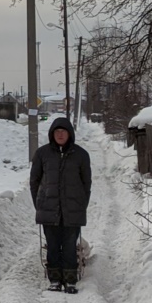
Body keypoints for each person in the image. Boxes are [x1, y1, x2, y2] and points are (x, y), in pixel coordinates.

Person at [30, 115, 91, 293]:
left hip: (73, 209)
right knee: (53, 245)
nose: (60, 134)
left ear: (70, 133)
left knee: (70, 245)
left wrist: (81, 204)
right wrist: (40, 203)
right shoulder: (42, 154)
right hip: (48, 209)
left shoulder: (81, 155)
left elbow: (86, 183)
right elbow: (34, 182)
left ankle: (70, 280)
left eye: (63, 131)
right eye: (57, 131)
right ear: (51, 134)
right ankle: (55, 280)